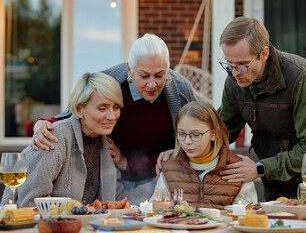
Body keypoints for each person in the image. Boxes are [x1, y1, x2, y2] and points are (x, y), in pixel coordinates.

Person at [30, 34, 196, 204]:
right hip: (112, 176)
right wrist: (42, 124)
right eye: (144, 76)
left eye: (160, 75)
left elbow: (195, 134)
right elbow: (75, 111)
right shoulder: (110, 81)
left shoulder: (180, 89)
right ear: (130, 69)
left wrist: (132, 162)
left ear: (168, 70)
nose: (152, 84)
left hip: (160, 174)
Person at [216, 16, 306, 201]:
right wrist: (181, 149)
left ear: (264, 54)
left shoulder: (303, 79)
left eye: (242, 65)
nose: (235, 73)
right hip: (275, 182)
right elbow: (221, 131)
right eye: (229, 64)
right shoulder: (235, 80)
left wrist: (260, 168)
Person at [1, 72, 123, 207]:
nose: (112, 116)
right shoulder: (54, 136)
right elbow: (31, 202)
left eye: (116, 107)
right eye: (102, 108)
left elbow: (116, 199)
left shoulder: (104, 142)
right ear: (79, 109)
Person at [151, 101, 257, 209]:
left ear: (213, 133)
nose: (187, 141)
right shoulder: (169, 165)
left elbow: (249, 217)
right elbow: (156, 211)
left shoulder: (240, 168)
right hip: (178, 226)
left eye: (196, 135)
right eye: (181, 134)